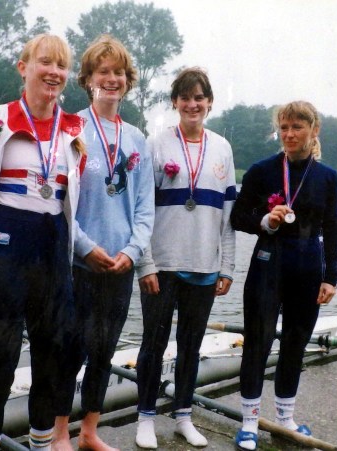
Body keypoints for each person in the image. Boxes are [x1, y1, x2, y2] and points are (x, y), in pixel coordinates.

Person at [0, 34, 86, 451]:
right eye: (45, 62)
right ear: (23, 67)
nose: (54, 72)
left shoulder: (75, 130)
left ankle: (41, 444)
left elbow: (73, 202)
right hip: (2, 248)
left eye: (61, 66)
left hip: (52, 250)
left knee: (52, 355)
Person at [52, 35, 154, 451]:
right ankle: (58, 433)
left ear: (128, 80)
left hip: (120, 266)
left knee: (104, 351)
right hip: (80, 264)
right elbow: (60, 202)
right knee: (69, 350)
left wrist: (132, 252)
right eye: (102, 72)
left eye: (119, 73)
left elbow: (146, 209)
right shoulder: (71, 129)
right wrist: (84, 248)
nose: (111, 80)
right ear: (88, 79)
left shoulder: (137, 139)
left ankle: (90, 432)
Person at [134, 67, 237, 449]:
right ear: (175, 102)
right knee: (153, 343)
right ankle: (145, 418)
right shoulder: (156, 144)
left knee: (190, 346)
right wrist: (144, 263)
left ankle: (182, 416)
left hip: (205, 267)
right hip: (162, 264)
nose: (192, 104)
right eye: (185, 97)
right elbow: (141, 210)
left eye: (199, 98)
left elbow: (228, 217)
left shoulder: (223, 148)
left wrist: (227, 266)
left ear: (209, 103)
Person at [230, 101, 337, 450]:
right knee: (258, 341)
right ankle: (249, 421)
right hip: (269, 260)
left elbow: (333, 227)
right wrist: (266, 220)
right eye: (284, 128)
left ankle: (284, 418)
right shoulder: (262, 170)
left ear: (314, 130)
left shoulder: (327, 176)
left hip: (308, 265)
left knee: (295, 343)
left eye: (297, 128)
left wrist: (331, 277)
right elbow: (237, 218)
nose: (289, 135)